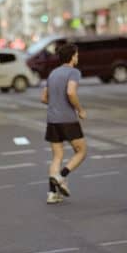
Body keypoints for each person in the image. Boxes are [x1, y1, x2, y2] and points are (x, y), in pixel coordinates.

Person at [41, 43, 88, 204]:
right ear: (72, 57)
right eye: (77, 55)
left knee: (57, 155)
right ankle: (61, 176)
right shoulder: (74, 72)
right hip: (68, 119)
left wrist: (56, 103)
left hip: (52, 119)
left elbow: (44, 98)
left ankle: (52, 193)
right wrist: (80, 110)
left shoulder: (53, 73)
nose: (78, 57)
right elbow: (71, 92)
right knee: (81, 151)